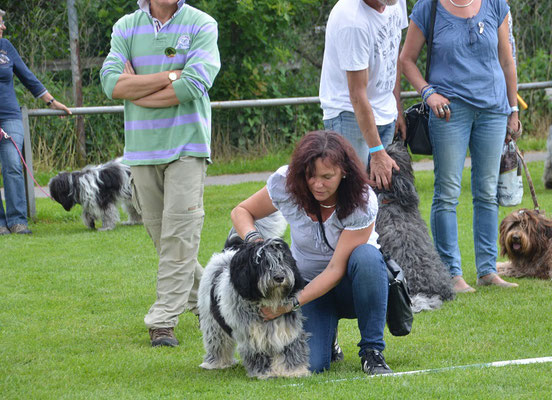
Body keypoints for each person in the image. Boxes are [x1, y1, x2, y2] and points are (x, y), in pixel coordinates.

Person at [100, 0, 220, 347]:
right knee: (166, 239)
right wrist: (170, 75)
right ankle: (214, 301)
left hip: (187, 147)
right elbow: (111, 84)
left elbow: (194, 85)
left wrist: (136, 87)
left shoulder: (201, 24)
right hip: (141, 150)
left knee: (179, 236)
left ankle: (162, 320)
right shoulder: (125, 26)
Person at [230, 130, 392, 375]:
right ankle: (329, 340)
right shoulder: (285, 183)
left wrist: (289, 305)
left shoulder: (362, 200)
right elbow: (241, 211)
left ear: (344, 172)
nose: (318, 184)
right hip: (309, 285)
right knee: (314, 365)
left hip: (353, 286)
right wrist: (255, 241)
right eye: (311, 176)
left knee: (367, 257)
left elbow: (336, 269)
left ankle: (372, 351)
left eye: (327, 176)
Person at [399, 0, 520, 293]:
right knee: (447, 192)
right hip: (449, 111)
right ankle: (451, 274)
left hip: (493, 110)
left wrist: (513, 109)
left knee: (487, 192)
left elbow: (507, 60)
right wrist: (428, 93)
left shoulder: (495, 4)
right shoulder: (429, 7)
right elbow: (406, 60)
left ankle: (488, 271)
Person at [319, 0, 408, 190]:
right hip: (349, 115)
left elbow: (392, 52)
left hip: (385, 112)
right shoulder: (352, 21)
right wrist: (377, 151)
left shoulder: (395, 2)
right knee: (353, 196)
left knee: (378, 196)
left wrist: (397, 108)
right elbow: (357, 94)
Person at [0, 9, 71, 236]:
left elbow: (27, 76)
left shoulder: (6, 46)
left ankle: (18, 221)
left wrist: (52, 102)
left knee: (12, 165)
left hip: (10, 116)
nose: (3, 27)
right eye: (0, 22)